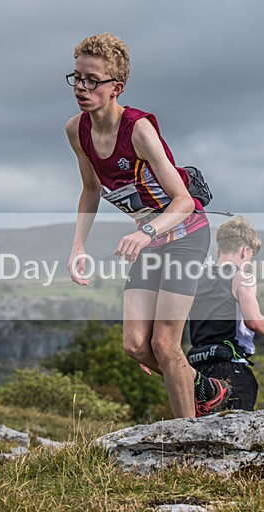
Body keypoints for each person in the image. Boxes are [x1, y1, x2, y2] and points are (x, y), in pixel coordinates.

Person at [64, 33, 230, 418]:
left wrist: (147, 231)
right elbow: (90, 189)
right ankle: (206, 389)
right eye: (76, 77)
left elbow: (185, 201)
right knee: (137, 345)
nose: (82, 87)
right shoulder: (77, 130)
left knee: (166, 345)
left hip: (184, 234)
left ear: (115, 88)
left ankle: (188, 436)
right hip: (151, 241)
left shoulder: (138, 130)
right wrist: (78, 246)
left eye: (92, 80)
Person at [187, 216, 264, 410]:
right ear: (244, 250)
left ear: (218, 249)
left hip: (196, 370)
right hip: (230, 367)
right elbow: (253, 320)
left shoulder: (196, 279)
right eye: (250, 258)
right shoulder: (242, 276)